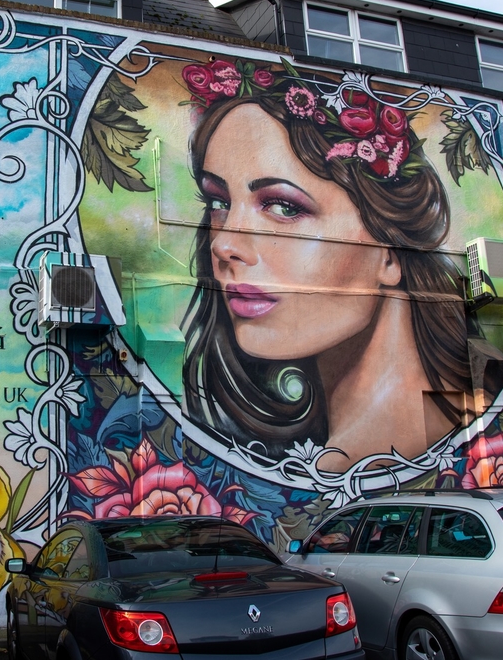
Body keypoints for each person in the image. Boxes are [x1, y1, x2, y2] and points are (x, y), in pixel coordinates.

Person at [178, 60, 474, 470]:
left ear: (390, 253)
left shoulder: (347, 465)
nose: (225, 244)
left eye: (283, 206)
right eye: (218, 203)